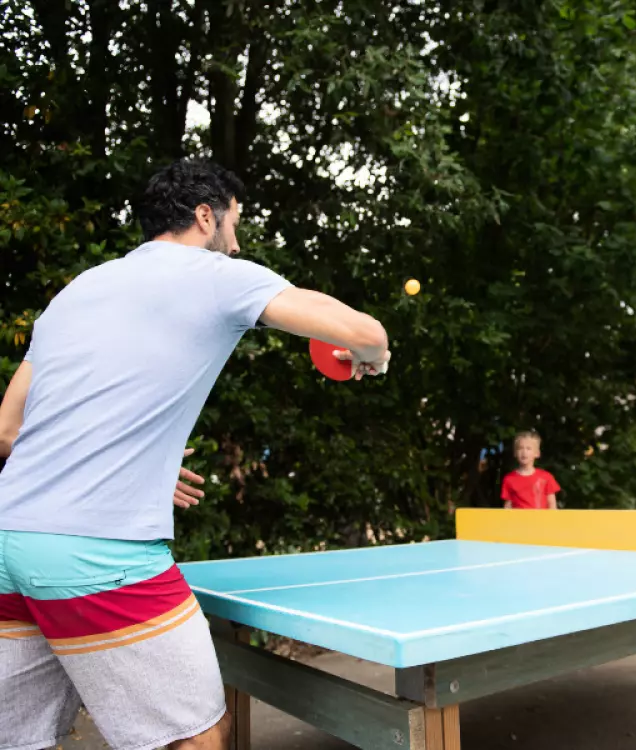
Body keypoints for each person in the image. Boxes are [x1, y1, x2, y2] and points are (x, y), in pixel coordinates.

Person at [0, 158, 391, 750]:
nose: (236, 243)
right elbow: (365, 332)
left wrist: (130, 461)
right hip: (97, 553)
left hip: (9, 540)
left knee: (18, 740)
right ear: (206, 216)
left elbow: (8, 430)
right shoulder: (215, 274)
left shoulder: (76, 292)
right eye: (235, 222)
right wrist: (374, 359)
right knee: (197, 735)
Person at [501, 431, 561, 509]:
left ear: (537, 453)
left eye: (528, 448)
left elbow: (552, 505)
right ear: (515, 453)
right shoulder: (509, 479)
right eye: (520, 448)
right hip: (519, 517)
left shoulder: (546, 477)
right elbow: (508, 506)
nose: (524, 452)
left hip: (540, 517)